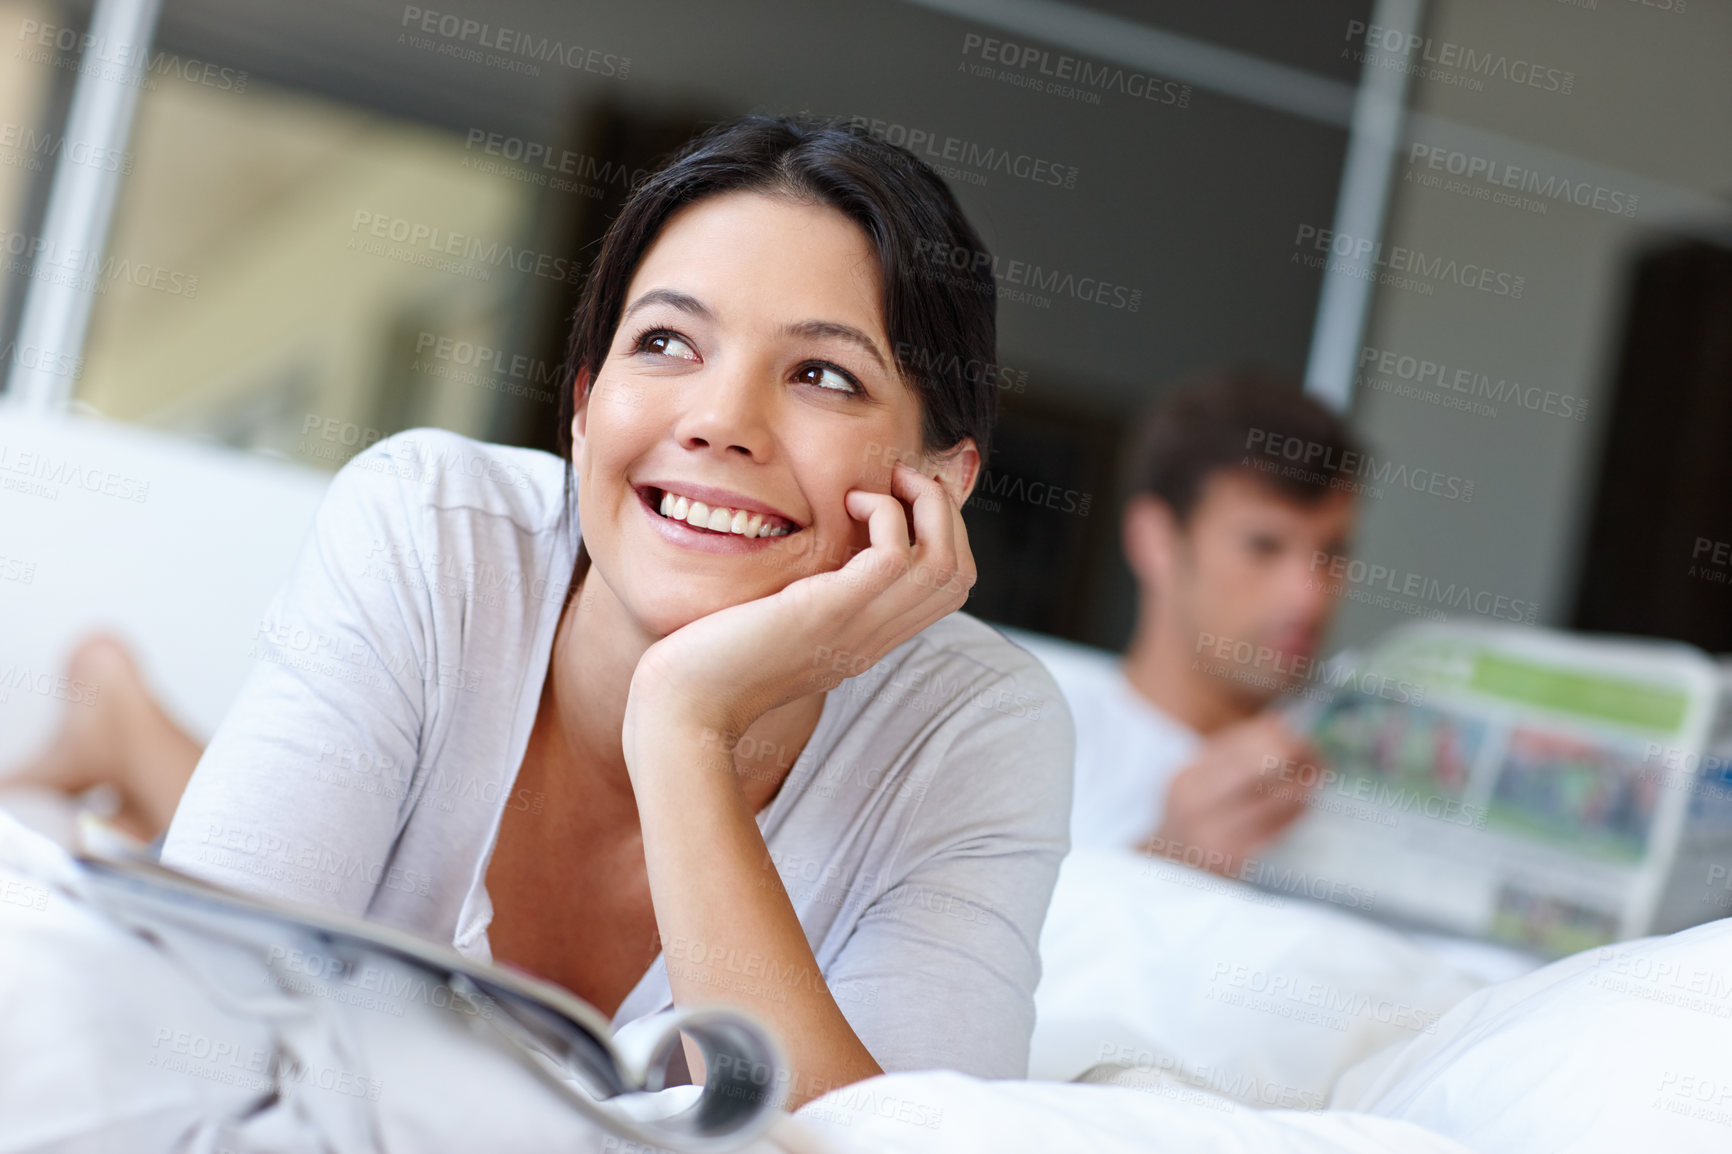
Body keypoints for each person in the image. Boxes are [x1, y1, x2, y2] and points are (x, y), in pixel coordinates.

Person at [15, 115, 1075, 1110]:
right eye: (666, 342)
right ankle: (119, 706)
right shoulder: (435, 529)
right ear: (580, 404)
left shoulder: (975, 727)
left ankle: (123, 716)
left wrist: (684, 727)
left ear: (941, 477)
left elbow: (893, 1136)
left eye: (821, 373)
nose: (718, 420)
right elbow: (199, 1005)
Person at [1012, 369, 1358, 877]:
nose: (1309, 597)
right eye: (1263, 546)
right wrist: (1167, 858)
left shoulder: (1360, 786)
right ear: (1155, 541)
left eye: (1332, 553)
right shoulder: (1023, 737)